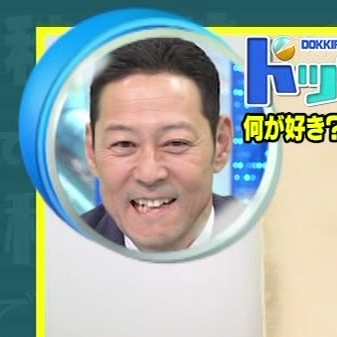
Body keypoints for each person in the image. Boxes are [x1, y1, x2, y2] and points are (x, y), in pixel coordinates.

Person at [81, 37, 244, 253]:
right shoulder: (56, 254)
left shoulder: (271, 243)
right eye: (124, 144)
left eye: (176, 143)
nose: (149, 174)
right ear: (91, 150)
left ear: (221, 143)